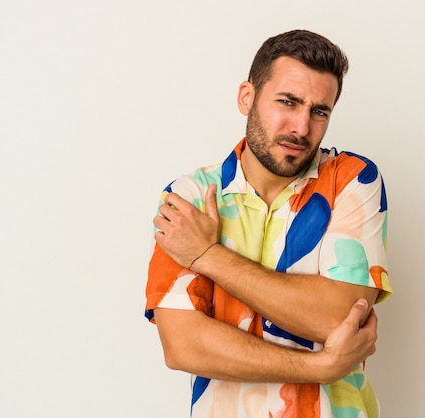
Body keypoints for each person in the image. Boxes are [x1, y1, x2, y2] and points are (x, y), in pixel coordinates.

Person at [145, 29, 392, 418]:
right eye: (287, 102)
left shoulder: (353, 180)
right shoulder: (189, 196)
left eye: (319, 111)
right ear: (247, 97)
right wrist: (320, 367)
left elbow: (334, 318)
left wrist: (207, 256)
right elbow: (182, 346)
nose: (301, 127)